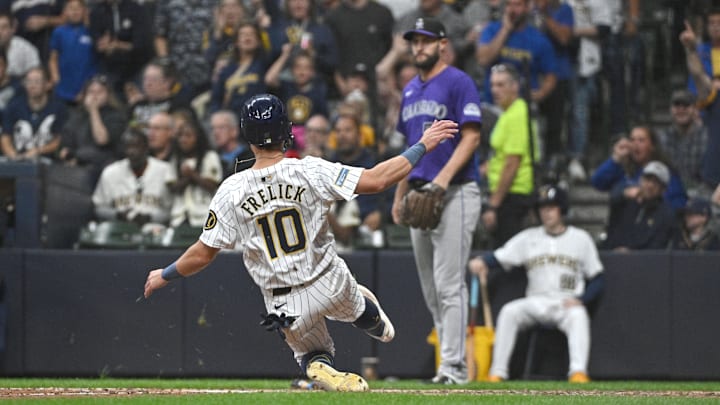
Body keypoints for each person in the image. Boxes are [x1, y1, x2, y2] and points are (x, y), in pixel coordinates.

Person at [142, 93, 458, 391]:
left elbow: (202, 253)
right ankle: (368, 318)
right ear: (285, 131)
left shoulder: (231, 190)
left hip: (284, 305)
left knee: (313, 353)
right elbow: (377, 180)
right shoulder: (309, 169)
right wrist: (422, 145)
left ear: (247, 136)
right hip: (329, 280)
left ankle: (318, 364)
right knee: (361, 308)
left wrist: (164, 274)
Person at [391, 18, 482, 384]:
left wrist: (442, 181)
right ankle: (447, 366)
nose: (419, 48)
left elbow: (472, 136)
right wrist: (399, 194)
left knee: (449, 284)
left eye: (426, 41)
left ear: (443, 44)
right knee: (432, 292)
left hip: (457, 190)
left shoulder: (459, 81)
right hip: (419, 193)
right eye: (414, 41)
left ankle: (455, 369)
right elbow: (410, 150)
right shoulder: (410, 90)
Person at [468, 184, 604, 383]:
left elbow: (597, 278)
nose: (546, 212)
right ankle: (497, 372)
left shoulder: (580, 239)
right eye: (542, 208)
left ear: (562, 209)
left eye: (551, 207)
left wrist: (583, 300)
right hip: (536, 301)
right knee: (509, 311)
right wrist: (482, 261)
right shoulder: (529, 237)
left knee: (578, 315)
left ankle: (578, 372)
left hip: (565, 304)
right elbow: (501, 256)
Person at [482, 63, 537, 247]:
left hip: (513, 196)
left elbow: (512, 162)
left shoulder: (517, 114)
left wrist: (494, 204)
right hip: (507, 194)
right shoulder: (509, 113)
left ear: (515, 86)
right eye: (492, 85)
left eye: (501, 85)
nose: (495, 90)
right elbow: (502, 155)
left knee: (508, 254)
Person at [591, 126, 687, 212]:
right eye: (632, 140)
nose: (635, 144)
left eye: (641, 140)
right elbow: (598, 182)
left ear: (652, 146)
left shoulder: (664, 172)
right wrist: (616, 158)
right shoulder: (622, 169)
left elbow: (678, 203)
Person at [93, 128, 173, 226]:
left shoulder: (165, 170)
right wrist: (117, 215)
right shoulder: (110, 172)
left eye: (136, 146)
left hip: (156, 232)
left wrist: (149, 218)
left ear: (146, 147)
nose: (131, 151)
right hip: (119, 231)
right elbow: (99, 208)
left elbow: (172, 210)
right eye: (128, 147)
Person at [58, 75, 128, 186]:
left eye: (99, 92)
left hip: (104, 167)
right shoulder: (76, 116)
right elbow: (64, 147)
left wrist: (93, 111)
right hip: (77, 166)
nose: (95, 96)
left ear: (108, 95)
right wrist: (68, 156)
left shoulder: (116, 116)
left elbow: (102, 139)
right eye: (91, 92)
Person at [601, 160, 677, 251]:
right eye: (648, 179)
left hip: (642, 262)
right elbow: (612, 199)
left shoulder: (666, 214)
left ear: (663, 189)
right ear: (640, 180)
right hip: (612, 257)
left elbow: (657, 247)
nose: (650, 185)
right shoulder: (625, 201)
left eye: (656, 182)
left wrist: (632, 253)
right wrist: (623, 194)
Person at [166, 111, 223, 228]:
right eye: (180, 136)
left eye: (188, 136)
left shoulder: (209, 157)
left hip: (204, 216)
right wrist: (187, 178)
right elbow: (171, 187)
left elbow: (213, 185)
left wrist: (192, 175)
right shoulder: (176, 159)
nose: (183, 140)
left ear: (198, 137)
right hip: (179, 217)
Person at [0, 67, 67, 160]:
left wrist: (39, 151)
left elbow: (59, 140)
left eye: (37, 81)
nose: (32, 85)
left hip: (47, 161)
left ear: (48, 84)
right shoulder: (13, 106)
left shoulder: (58, 108)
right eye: (29, 81)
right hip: (18, 159)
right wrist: (12, 155)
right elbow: (5, 137)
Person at [656, 89, 708, 197]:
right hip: (671, 194)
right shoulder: (662, 138)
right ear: (671, 110)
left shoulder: (706, 137)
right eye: (676, 105)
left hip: (702, 194)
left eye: (686, 105)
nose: (681, 109)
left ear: (695, 109)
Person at [48, 0, 98, 105]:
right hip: (64, 88)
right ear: (65, 11)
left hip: (87, 87)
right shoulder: (59, 32)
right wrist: (56, 80)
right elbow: (53, 59)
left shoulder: (92, 31)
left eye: (78, 8)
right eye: (71, 8)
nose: (75, 12)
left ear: (84, 11)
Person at [209, 110, 253, 177]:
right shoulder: (212, 157)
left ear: (234, 131)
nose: (215, 133)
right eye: (213, 128)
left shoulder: (250, 156)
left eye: (221, 127)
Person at [0, 12, 40, 79]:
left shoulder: (25, 49)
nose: (0, 31)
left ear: (12, 29)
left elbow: (36, 73)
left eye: (4, 27)